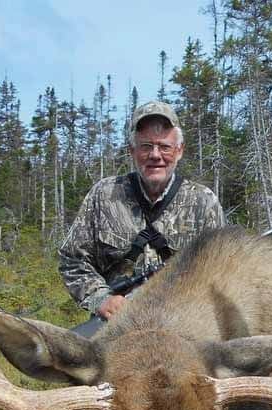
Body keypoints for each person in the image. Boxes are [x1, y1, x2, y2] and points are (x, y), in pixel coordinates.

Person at [58, 101, 226, 323]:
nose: (155, 155)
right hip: (116, 324)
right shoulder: (104, 196)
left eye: (164, 147)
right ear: (132, 151)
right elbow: (72, 260)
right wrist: (101, 299)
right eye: (146, 146)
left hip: (184, 325)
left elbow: (223, 272)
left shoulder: (203, 202)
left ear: (179, 151)